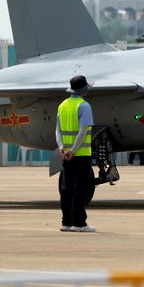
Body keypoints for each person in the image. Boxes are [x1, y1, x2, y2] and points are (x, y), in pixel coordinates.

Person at [55, 75, 96, 232]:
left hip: (66, 155)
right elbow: (83, 131)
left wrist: (61, 148)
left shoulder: (62, 105)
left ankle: (66, 222)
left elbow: (57, 130)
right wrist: (73, 151)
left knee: (67, 189)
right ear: (84, 90)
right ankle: (79, 223)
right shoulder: (84, 106)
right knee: (81, 189)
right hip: (81, 154)